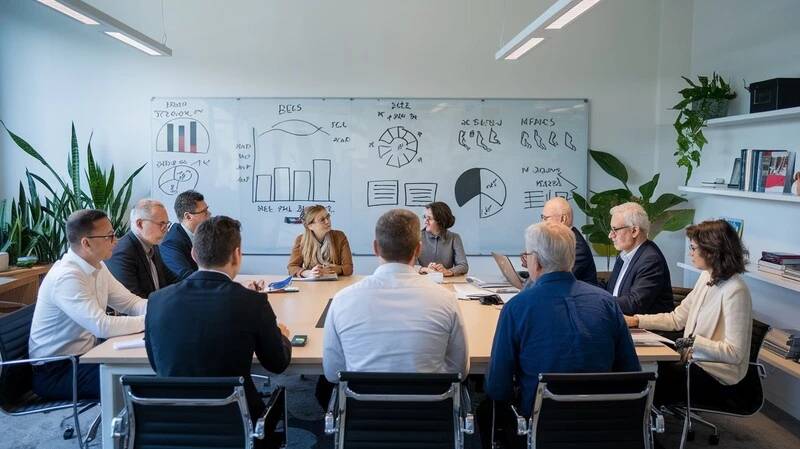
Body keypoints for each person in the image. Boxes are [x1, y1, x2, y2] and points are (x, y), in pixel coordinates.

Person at [482, 221, 640, 449]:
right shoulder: (607, 303)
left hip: (539, 429)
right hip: (602, 427)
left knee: (486, 411)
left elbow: (498, 387)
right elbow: (631, 374)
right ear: (571, 259)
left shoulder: (517, 308)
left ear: (536, 261)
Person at [146, 216, 292, 447]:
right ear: (237, 254)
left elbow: (156, 364)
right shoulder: (252, 302)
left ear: (194, 254)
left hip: (173, 425)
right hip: (238, 424)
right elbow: (277, 364)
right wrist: (281, 335)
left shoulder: (157, 300)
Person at [323, 208, 468, 381]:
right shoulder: (446, 300)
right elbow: (459, 371)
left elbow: (333, 374)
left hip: (363, 399)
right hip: (429, 398)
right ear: (418, 249)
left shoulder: (342, 300)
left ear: (375, 248)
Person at [625, 219, 752, 406]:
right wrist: (635, 320)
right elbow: (676, 319)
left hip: (714, 375)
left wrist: (692, 342)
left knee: (646, 377)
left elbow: (735, 353)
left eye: (693, 248)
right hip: (691, 362)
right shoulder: (707, 276)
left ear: (711, 251)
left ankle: (643, 422)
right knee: (640, 370)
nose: (690, 253)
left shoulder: (735, 290)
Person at [28, 209, 147, 400]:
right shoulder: (67, 276)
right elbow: (102, 326)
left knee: (144, 366)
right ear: (86, 243)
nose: (116, 241)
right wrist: (150, 320)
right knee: (139, 377)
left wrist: (162, 311)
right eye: (109, 236)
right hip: (57, 370)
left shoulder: (98, 266)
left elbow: (131, 303)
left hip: (86, 356)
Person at [606, 202, 673, 315]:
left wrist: (600, 302)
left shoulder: (651, 260)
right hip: (619, 318)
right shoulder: (624, 254)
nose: (610, 235)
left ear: (634, 231)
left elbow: (634, 304)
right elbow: (610, 290)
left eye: (615, 230)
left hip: (643, 325)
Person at [106, 199, 178, 298]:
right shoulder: (122, 253)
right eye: (161, 224)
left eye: (166, 224)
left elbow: (173, 280)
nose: (165, 229)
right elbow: (133, 299)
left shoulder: (153, 246)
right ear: (139, 224)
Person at [519, 197, 597, 285]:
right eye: (542, 217)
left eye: (545, 218)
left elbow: (555, 279)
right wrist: (533, 262)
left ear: (563, 219)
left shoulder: (576, 246)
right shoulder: (560, 242)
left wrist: (535, 266)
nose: (542, 223)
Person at [287, 205, 353, 278]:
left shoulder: (339, 236)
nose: (327, 221)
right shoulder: (301, 240)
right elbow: (291, 268)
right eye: (322, 220)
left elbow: (349, 268)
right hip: (311, 283)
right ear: (310, 226)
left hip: (335, 282)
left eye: (328, 217)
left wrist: (332, 269)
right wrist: (309, 273)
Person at [160, 190, 209, 280]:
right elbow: (186, 276)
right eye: (204, 212)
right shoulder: (171, 243)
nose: (209, 214)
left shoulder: (202, 235)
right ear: (188, 216)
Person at [417, 201, 469, 276]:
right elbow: (408, 266)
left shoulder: (454, 238)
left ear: (440, 221)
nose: (425, 221)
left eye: (430, 218)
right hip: (421, 280)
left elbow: (463, 266)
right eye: (425, 217)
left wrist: (448, 271)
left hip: (446, 281)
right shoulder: (416, 237)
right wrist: (425, 269)